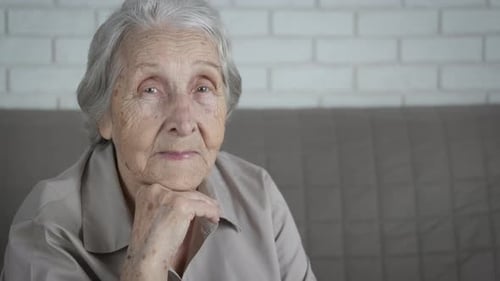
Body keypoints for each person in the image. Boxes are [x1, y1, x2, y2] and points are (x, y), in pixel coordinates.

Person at [1, 0, 316, 280]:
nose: (183, 122)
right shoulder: (46, 230)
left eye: (203, 88)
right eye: (150, 89)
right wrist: (144, 265)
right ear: (104, 115)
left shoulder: (258, 194)